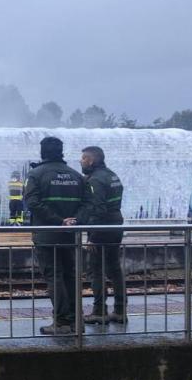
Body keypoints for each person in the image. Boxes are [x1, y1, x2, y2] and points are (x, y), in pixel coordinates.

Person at [24, 136, 92, 335]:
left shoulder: (36, 174)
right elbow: (89, 203)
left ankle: (61, 322)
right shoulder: (76, 175)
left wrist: (58, 221)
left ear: (42, 152)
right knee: (71, 276)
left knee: (54, 277)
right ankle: (76, 321)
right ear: (61, 152)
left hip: (47, 236)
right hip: (71, 236)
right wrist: (75, 221)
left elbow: (33, 202)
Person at [76, 146, 128, 324]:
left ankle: (99, 311)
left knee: (95, 270)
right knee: (114, 269)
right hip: (116, 226)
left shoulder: (95, 180)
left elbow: (98, 210)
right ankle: (120, 311)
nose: (81, 161)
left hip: (101, 229)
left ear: (91, 160)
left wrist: (92, 237)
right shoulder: (112, 175)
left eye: (83, 158)